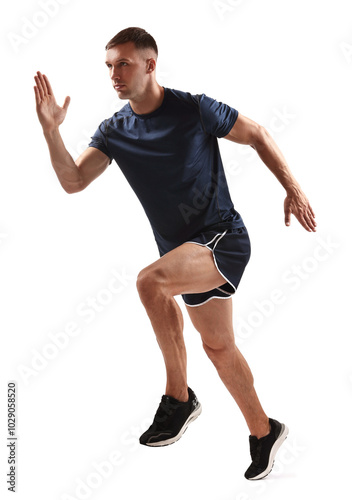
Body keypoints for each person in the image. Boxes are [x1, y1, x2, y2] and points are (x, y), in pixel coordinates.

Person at [33, 27, 316, 480]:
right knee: (219, 346)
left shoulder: (194, 108)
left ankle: (178, 399)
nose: (114, 75)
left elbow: (258, 133)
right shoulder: (115, 130)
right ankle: (264, 431)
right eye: (108, 66)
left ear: (150, 64)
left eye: (123, 63)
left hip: (223, 238)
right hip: (185, 255)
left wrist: (293, 188)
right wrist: (51, 132)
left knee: (150, 281)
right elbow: (73, 180)